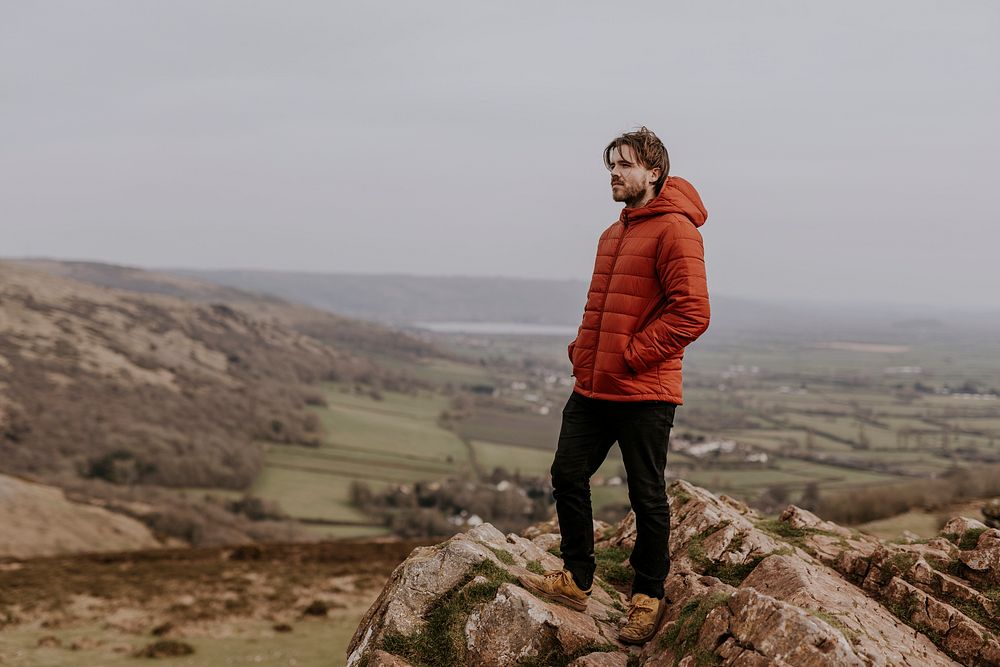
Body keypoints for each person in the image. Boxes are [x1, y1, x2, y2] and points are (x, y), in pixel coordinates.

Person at [518, 126, 710, 645]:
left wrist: (631, 355)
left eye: (624, 165)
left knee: (646, 495)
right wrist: (583, 354)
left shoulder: (677, 231)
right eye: (611, 166)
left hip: (644, 390)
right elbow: (599, 306)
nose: (615, 174)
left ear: (653, 172)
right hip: (595, 385)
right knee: (566, 473)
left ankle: (647, 596)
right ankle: (577, 579)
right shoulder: (613, 233)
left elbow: (692, 313)